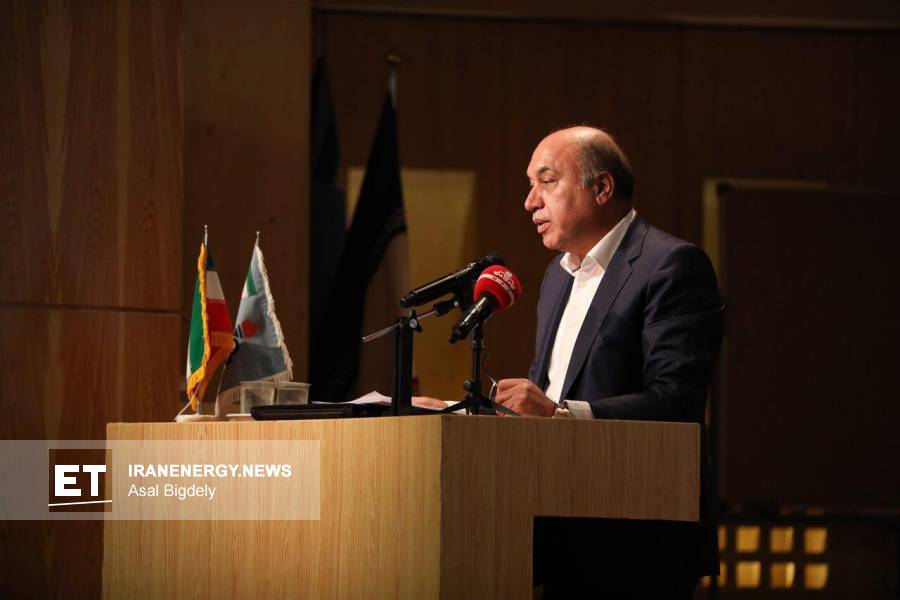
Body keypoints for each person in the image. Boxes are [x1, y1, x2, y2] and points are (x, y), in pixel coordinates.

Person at [494, 126, 724, 598]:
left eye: (547, 181)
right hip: (561, 524)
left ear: (601, 187)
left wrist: (559, 413)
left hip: (639, 538)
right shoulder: (557, 277)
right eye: (530, 185)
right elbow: (547, 395)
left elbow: (676, 400)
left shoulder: (671, 265)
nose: (530, 202)